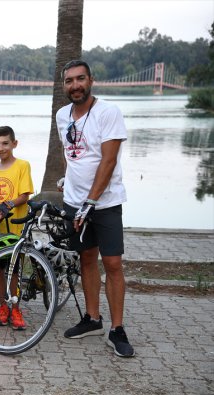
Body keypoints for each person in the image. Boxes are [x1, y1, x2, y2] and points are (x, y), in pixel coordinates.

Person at [56, 60, 134, 357]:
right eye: (69, 81)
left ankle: (117, 329)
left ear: (91, 80)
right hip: (74, 202)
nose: (75, 85)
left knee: (112, 264)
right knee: (86, 259)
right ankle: (93, 319)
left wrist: (90, 202)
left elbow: (108, 160)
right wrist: (68, 178)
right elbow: (71, 153)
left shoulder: (108, 112)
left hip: (105, 203)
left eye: (80, 79)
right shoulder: (62, 115)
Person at [0, 125, 34, 330]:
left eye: (5, 143)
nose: (0, 148)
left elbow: (24, 195)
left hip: (14, 228)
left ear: (14, 144)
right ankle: (3, 306)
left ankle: (16, 308)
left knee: (14, 271)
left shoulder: (22, 166)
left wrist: (8, 205)